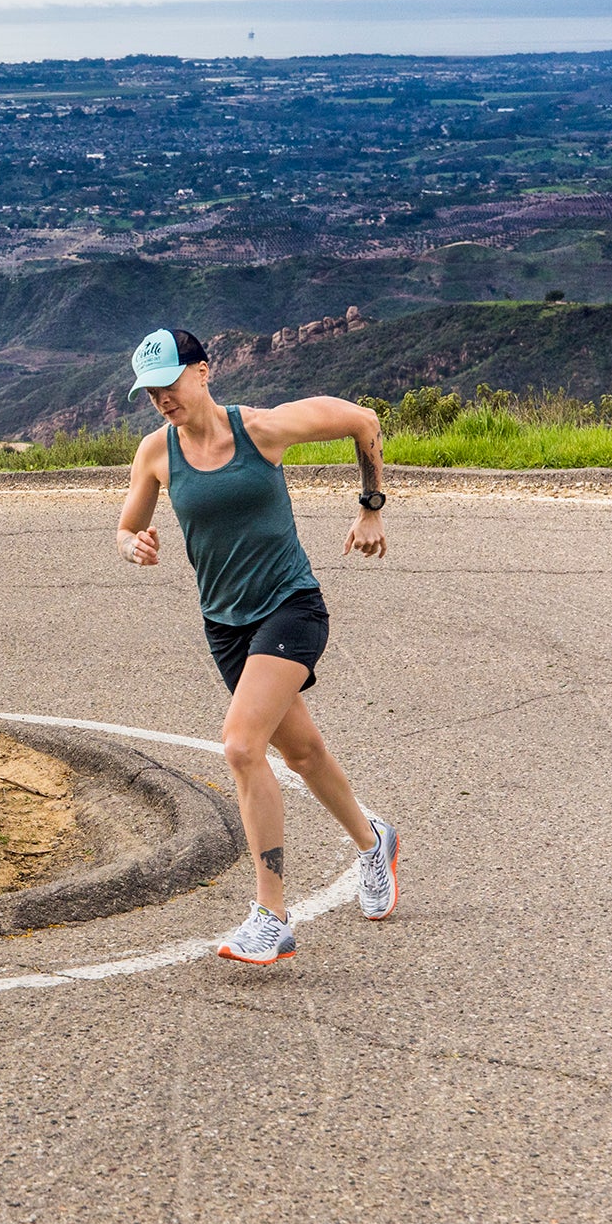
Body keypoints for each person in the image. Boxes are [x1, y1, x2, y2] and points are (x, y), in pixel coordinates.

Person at [114, 327, 399, 965]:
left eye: (169, 384)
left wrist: (371, 507)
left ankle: (271, 915)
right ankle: (374, 840)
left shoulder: (262, 431)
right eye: (150, 393)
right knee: (301, 751)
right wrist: (134, 544)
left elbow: (363, 421)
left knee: (242, 746)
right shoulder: (156, 452)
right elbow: (128, 525)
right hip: (226, 626)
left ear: (203, 371)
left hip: (290, 607)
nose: (161, 399)